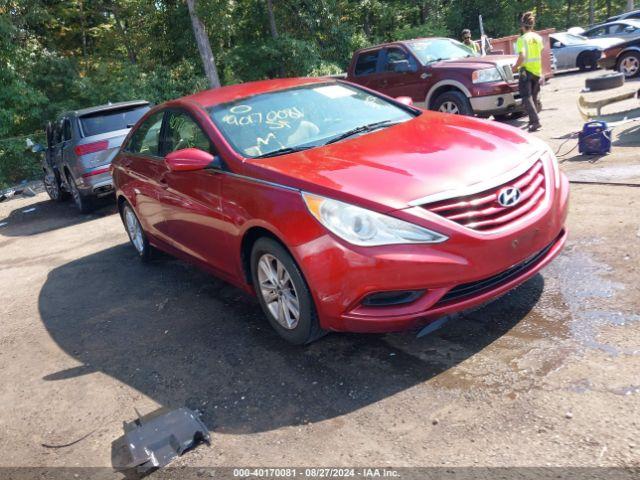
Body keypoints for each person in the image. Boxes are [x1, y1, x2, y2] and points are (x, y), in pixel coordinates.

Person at [512, 11, 543, 131]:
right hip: (537, 71)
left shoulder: (522, 39)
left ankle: (535, 121)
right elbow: (539, 54)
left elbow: (523, 56)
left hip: (526, 71)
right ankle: (533, 120)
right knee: (533, 97)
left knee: (526, 97)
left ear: (522, 26)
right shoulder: (538, 38)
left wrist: (515, 67)